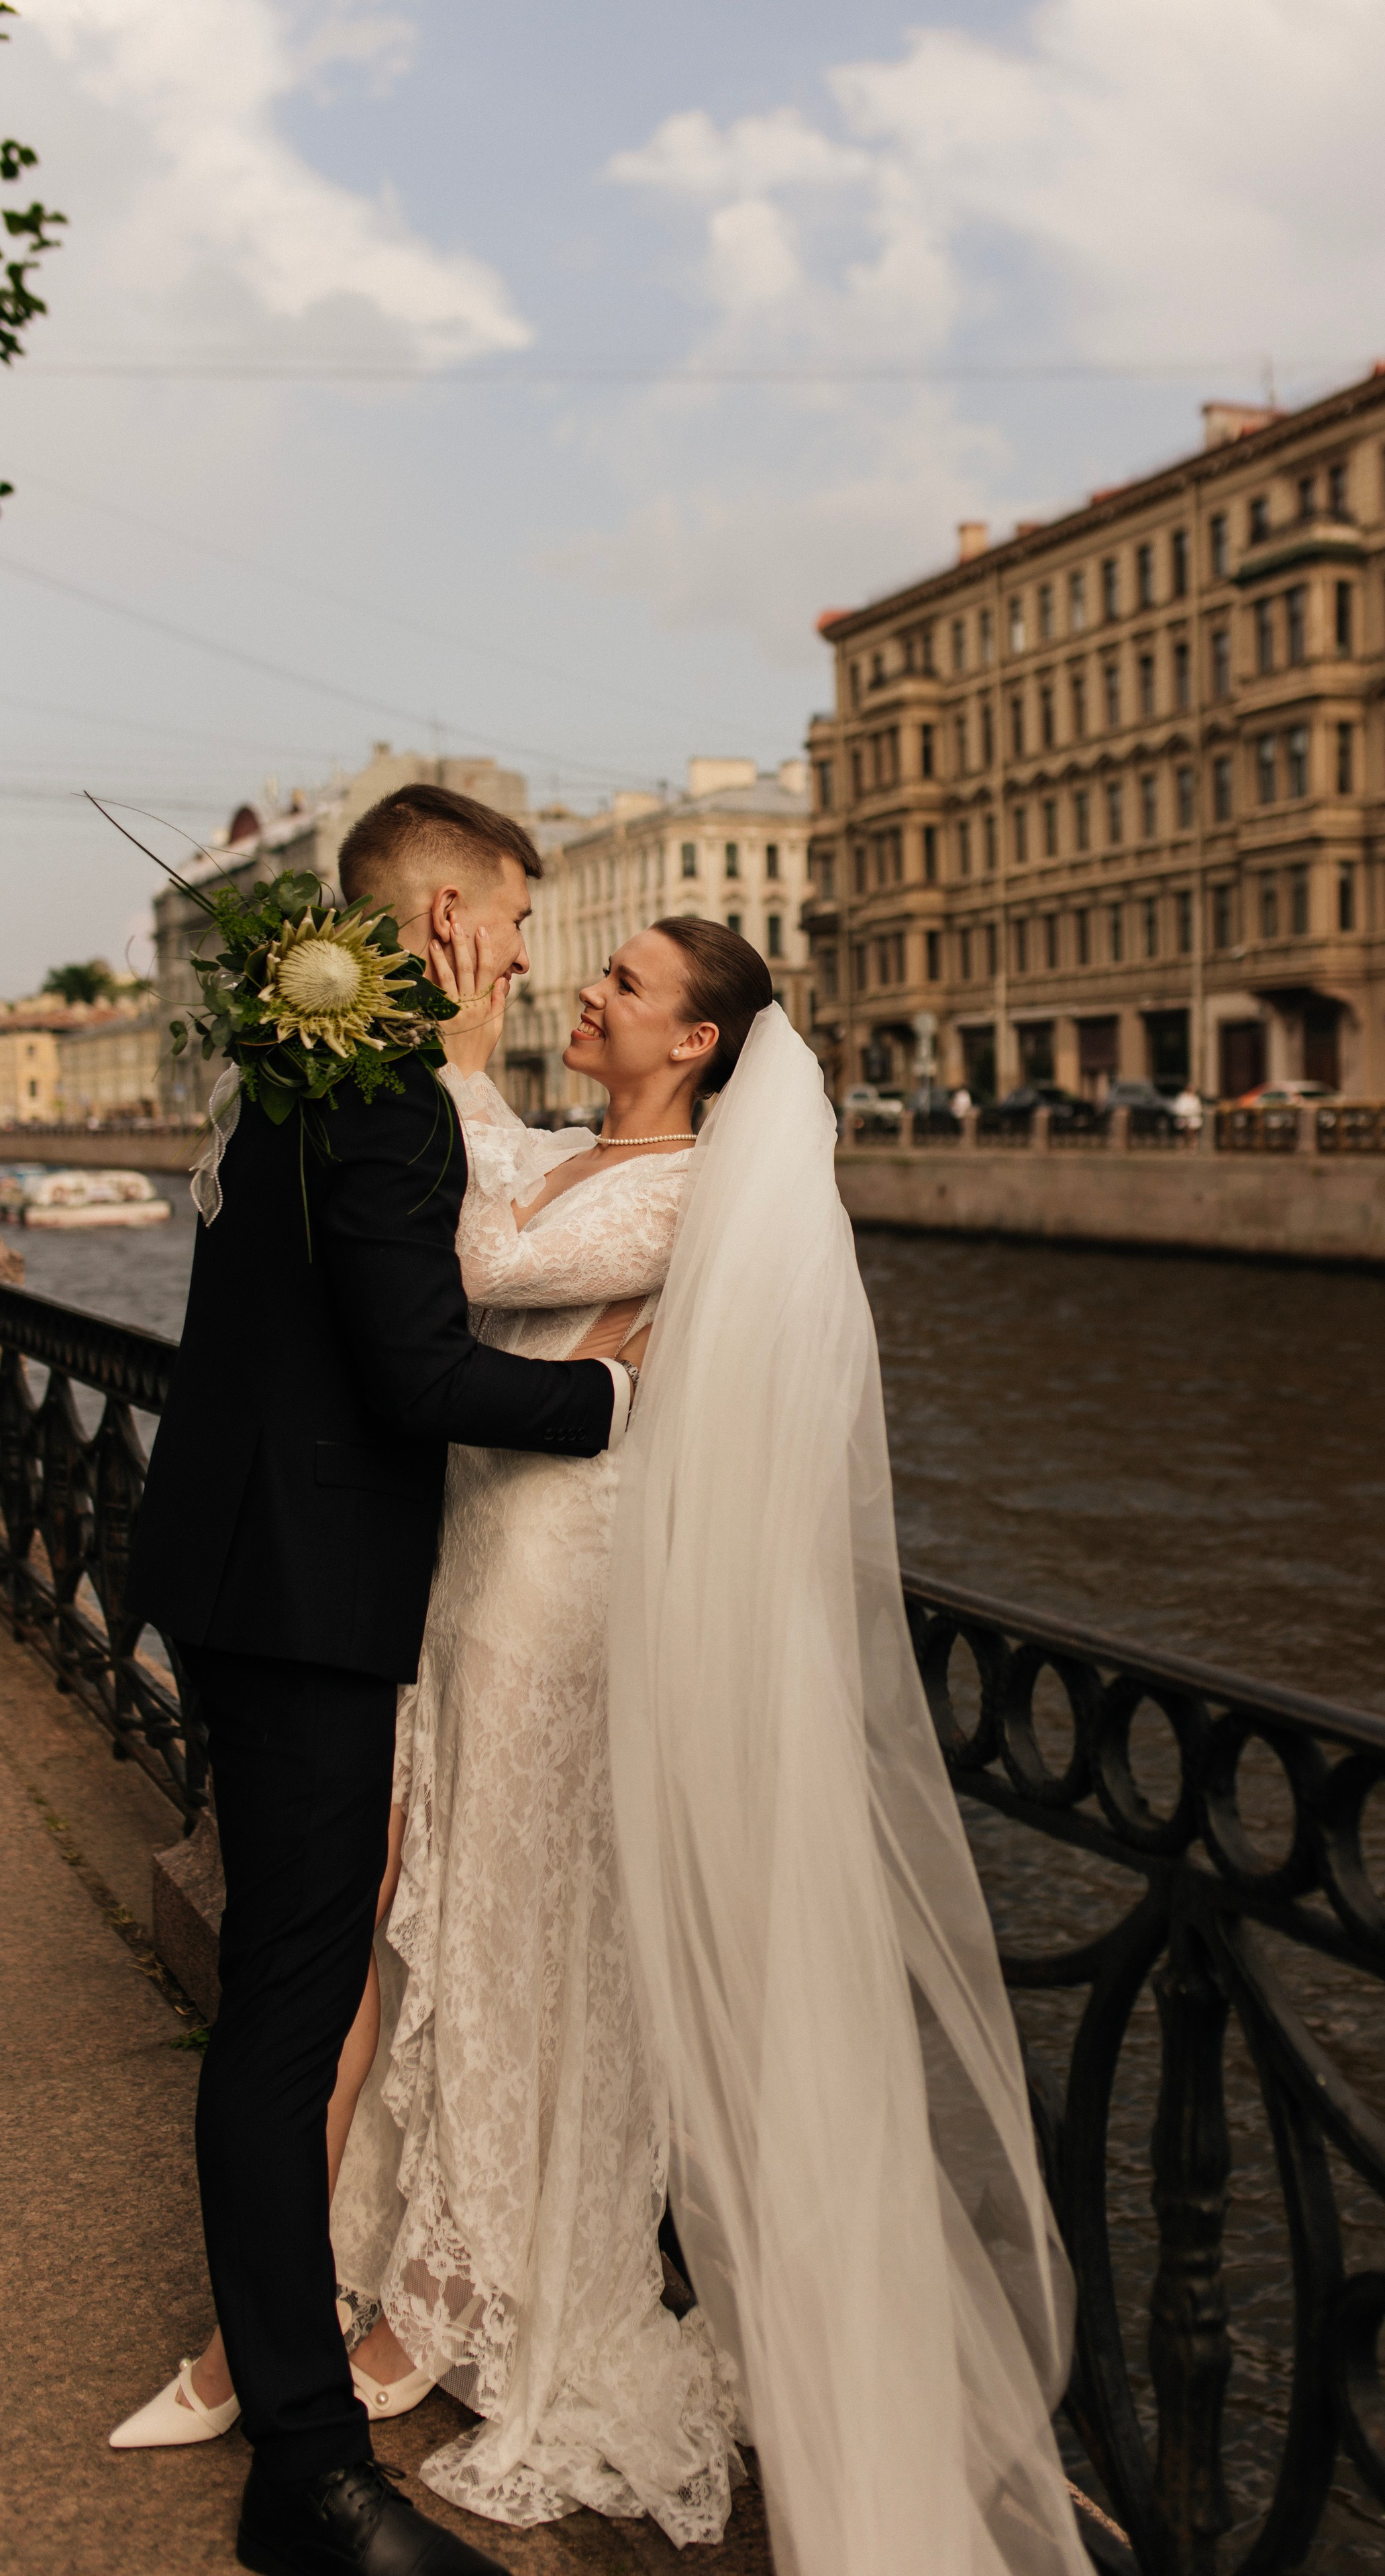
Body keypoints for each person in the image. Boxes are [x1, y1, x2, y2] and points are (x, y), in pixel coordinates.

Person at [112, 786, 643, 2576]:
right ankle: (312, 2473)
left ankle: (289, 2412)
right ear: (445, 925)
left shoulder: (303, 1074)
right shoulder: (387, 1097)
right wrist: (612, 1401)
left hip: (239, 1564)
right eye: (505, 913)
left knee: (283, 1994)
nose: (518, 947)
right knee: (285, 2012)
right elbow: (419, 1377)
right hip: (311, 1595)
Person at [326, 916, 750, 2539]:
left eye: (627, 985)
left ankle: (458, 2300)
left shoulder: (692, 1190)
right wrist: (462, 1019)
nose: (593, 990)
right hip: (476, 1575)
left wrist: (457, 1041)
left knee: (515, 1940)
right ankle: (419, 2260)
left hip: (559, 1607)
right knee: (456, 1929)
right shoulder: (580, 1149)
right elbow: (499, 1161)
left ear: (696, 1043)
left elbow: (481, 1255)